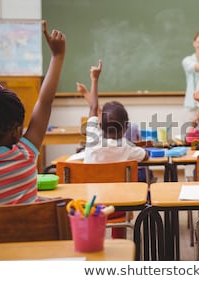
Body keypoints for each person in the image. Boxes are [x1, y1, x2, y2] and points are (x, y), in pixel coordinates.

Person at [0, 21, 66, 205]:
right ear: (17, 131)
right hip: (35, 235)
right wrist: (57, 56)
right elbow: (45, 101)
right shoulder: (25, 155)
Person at [83, 59, 149, 239]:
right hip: (120, 208)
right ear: (126, 128)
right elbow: (146, 156)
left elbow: (92, 107)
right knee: (120, 197)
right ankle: (119, 243)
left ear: (99, 125)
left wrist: (94, 79)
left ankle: (91, 242)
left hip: (91, 206)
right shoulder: (127, 149)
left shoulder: (92, 138)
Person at [76, 82, 140, 142]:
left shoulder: (98, 141)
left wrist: (85, 92)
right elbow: (139, 143)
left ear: (101, 124)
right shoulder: (133, 127)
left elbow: (95, 109)